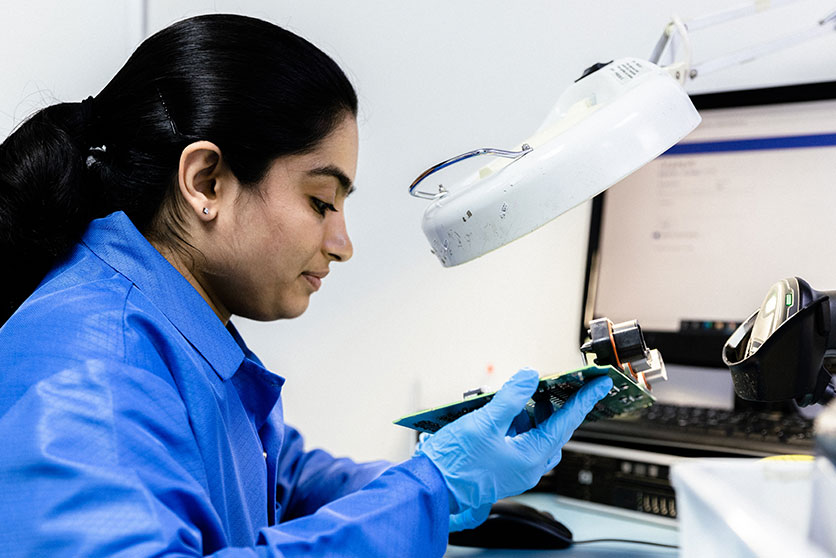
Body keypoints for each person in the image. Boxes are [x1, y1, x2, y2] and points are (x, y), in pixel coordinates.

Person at [0, 13, 612, 557]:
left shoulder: (173, 328)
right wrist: (434, 486)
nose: (343, 245)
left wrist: (437, 479)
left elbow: (277, 478)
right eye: (322, 202)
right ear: (206, 181)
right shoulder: (95, 370)